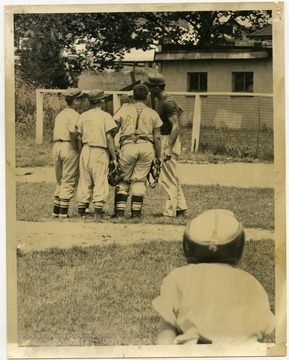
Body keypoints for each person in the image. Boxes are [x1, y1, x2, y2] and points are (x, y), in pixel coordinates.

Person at [153, 209, 275, 345]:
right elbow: (260, 333)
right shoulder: (250, 281)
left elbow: (165, 337)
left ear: (188, 244)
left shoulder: (178, 277)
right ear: (238, 247)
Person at [112, 84, 163, 218]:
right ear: (147, 96)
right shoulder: (153, 113)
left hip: (128, 145)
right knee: (140, 180)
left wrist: (112, 149)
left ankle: (119, 212)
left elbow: (112, 130)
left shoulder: (124, 110)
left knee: (123, 178)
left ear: (133, 96)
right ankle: (135, 213)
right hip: (146, 146)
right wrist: (159, 156)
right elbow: (157, 137)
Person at [147, 73, 187, 218]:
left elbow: (176, 126)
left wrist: (169, 147)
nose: (149, 90)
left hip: (167, 139)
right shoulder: (167, 100)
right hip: (167, 139)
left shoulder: (167, 102)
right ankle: (181, 207)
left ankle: (170, 211)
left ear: (157, 88)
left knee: (167, 177)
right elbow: (180, 110)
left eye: (151, 87)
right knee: (172, 176)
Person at [76, 89, 118, 219]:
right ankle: (98, 211)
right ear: (101, 101)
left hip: (85, 149)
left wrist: (81, 151)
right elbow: (109, 138)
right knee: (100, 179)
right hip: (99, 150)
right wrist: (114, 157)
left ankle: (82, 209)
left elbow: (78, 137)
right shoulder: (105, 116)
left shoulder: (83, 115)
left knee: (85, 179)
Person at [52, 88, 87, 219]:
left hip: (57, 145)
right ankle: (63, 213)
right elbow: (73, 132)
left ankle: (56, 211)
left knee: (60, 180)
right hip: (68, 146)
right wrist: (75, 145)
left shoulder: (61, 114)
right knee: (69, 179)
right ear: (76, 101)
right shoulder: (74, 115)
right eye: (81, 99)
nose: (83, 102)